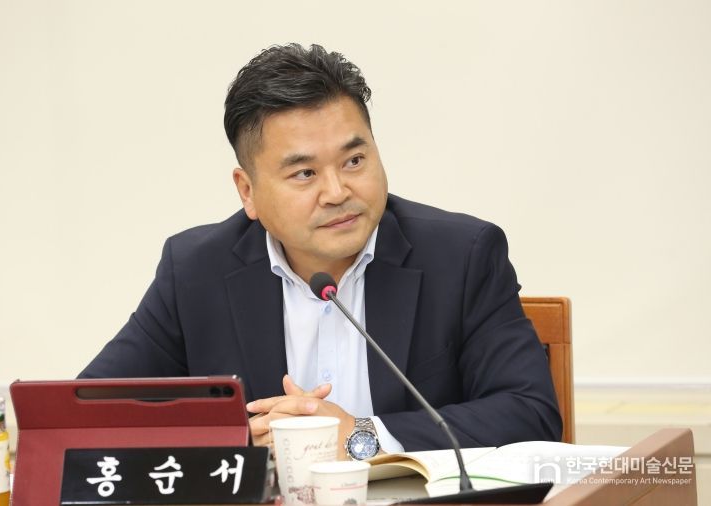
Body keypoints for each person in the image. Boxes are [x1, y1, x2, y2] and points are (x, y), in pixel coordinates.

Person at [80, 43, 561, 458]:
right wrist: (236, 442)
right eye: (305, 173)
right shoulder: (195, 271)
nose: (337, 191)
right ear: (247, 191)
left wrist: (361, 435)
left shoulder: (461, 256)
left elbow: (530, 413)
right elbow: (86, 417)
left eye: (354, 160)